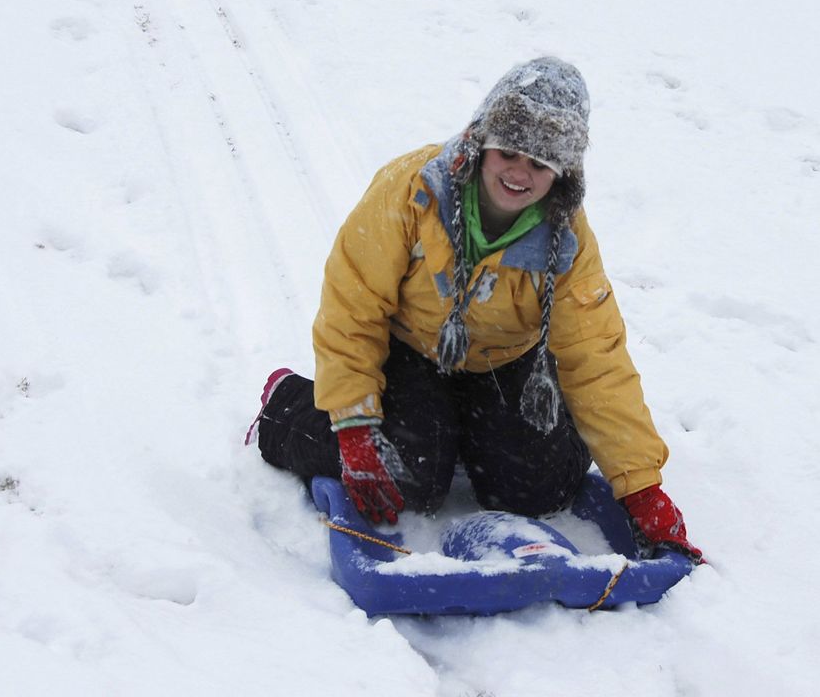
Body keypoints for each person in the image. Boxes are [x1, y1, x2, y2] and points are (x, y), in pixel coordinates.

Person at [247, 56, 702, 563]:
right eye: (508, 152)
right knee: (410, 474)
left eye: (540, 164)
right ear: (481, 143)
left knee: (539, 489)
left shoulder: (568, 239)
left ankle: (476, 433)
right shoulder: (411, 191)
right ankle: (286, 404)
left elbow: (596, 357)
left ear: (561, 174)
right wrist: (353, 428)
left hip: (504, 360)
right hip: (412, 349)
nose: (519, 173)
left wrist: (640, 486)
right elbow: (352, 309)